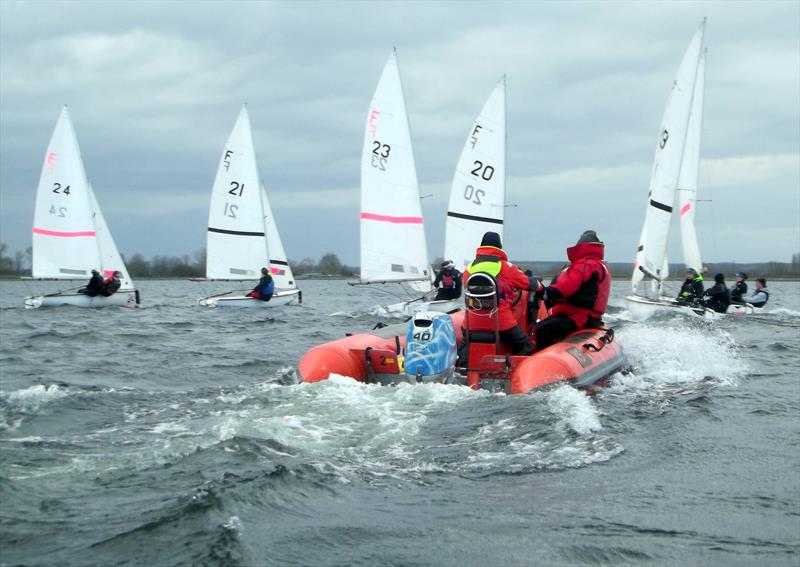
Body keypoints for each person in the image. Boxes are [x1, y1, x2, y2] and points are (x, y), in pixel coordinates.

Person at [532, 230, 611, 350]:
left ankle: (538, 360)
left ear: (581, 246)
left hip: (579, 317)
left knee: (540, 330)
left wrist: (544, 291)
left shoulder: (586, 265)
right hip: (587, 317)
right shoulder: (598, 264)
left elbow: (565, 288)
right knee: (543, 326)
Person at [462, 231, 536, 355]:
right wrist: (538, 286)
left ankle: (464, 365)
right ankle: (512, 370)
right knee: (526, 344)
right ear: (499, 247)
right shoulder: (506, 267)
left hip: (470, 323)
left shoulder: (469, 269)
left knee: (464, 343)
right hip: (500, 322)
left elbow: (466, 285)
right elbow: (527, 284)